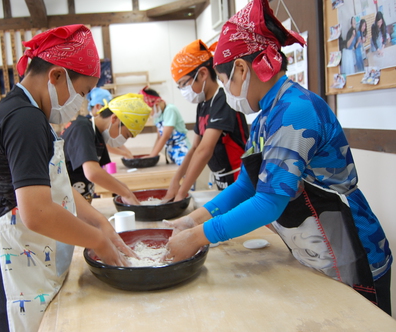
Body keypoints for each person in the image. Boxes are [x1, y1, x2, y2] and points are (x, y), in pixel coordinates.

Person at [164, 0, 392, 315]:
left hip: (348, 249)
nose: (228, 91)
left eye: (225, 78)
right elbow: (246, 186)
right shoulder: (265, 117)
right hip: (314, 246)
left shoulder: (294, 112)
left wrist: (198, 237)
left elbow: (269, 202)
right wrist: (192, 220)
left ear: (241, 69)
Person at [0, 25, 134, 332]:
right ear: (56, 76)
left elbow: (55, 187)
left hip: (33, 254)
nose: (81, 103)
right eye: (81, 93)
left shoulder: (30, 113)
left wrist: (99, 223)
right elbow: (37, 212)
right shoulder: (24, 119)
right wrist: (97, 241)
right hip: (15, 261)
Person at [165, 39, 248, 201]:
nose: (183, 90)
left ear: (202, 74)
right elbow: (195, 147)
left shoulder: (223, 100)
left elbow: (205, 150)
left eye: (184, 84)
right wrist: (176, 181)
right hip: (221, 180)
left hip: (240, 179)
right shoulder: (203, 105)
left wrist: (181, 193)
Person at [61, 93, 151, 205]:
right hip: (63, 204)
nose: (124, 140)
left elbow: (100, 172)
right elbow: (92, 172)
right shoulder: (82, 128)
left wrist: (125, 188)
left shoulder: (98, 136)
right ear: (114, 119)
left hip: (78, 205)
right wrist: (125, 193)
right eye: (126, 135)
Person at [138, 87, 191, 165]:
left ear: (156, 104)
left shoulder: (170, 110)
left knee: (185, 175)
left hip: (182, 150)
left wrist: (152, 156)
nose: (151, 115)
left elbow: (165, 136)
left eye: (149, 111)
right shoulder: (158, 115)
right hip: (171, 152)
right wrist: (151, 155)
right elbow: (159, 137)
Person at [86, 86, 135, 159]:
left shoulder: (101, 124)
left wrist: (127, 151)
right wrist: (125, 153)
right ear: (98, 106)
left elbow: (112, 138)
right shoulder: (88, 126)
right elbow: (106, 145)